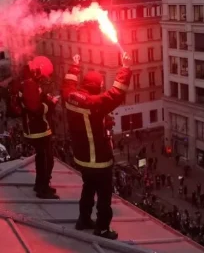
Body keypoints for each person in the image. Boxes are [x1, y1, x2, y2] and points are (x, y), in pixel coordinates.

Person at [61, 52, 132, 240]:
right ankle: (102, 228)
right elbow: (117, 93)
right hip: (99, 159)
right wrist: (125, 67)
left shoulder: (69, 97)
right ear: (96, 86)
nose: (102, 88)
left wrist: (74, 67)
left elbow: (67, 84)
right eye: (100, 86)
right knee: (104, 195)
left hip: (82, 158)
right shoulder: (94, 103)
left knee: (88, 187)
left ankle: (83, 219)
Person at [19, 56, 59, 199]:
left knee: (43, 158)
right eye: (43, 75)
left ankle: (41, 184)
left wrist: (47, 97)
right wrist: (51, 104)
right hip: (38, 130)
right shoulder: (30, 84)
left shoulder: (30, 82)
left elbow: (38, 96)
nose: (43, 78)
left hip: (38, 129)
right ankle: (43, 189)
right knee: (46, 159)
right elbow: (35, 108)